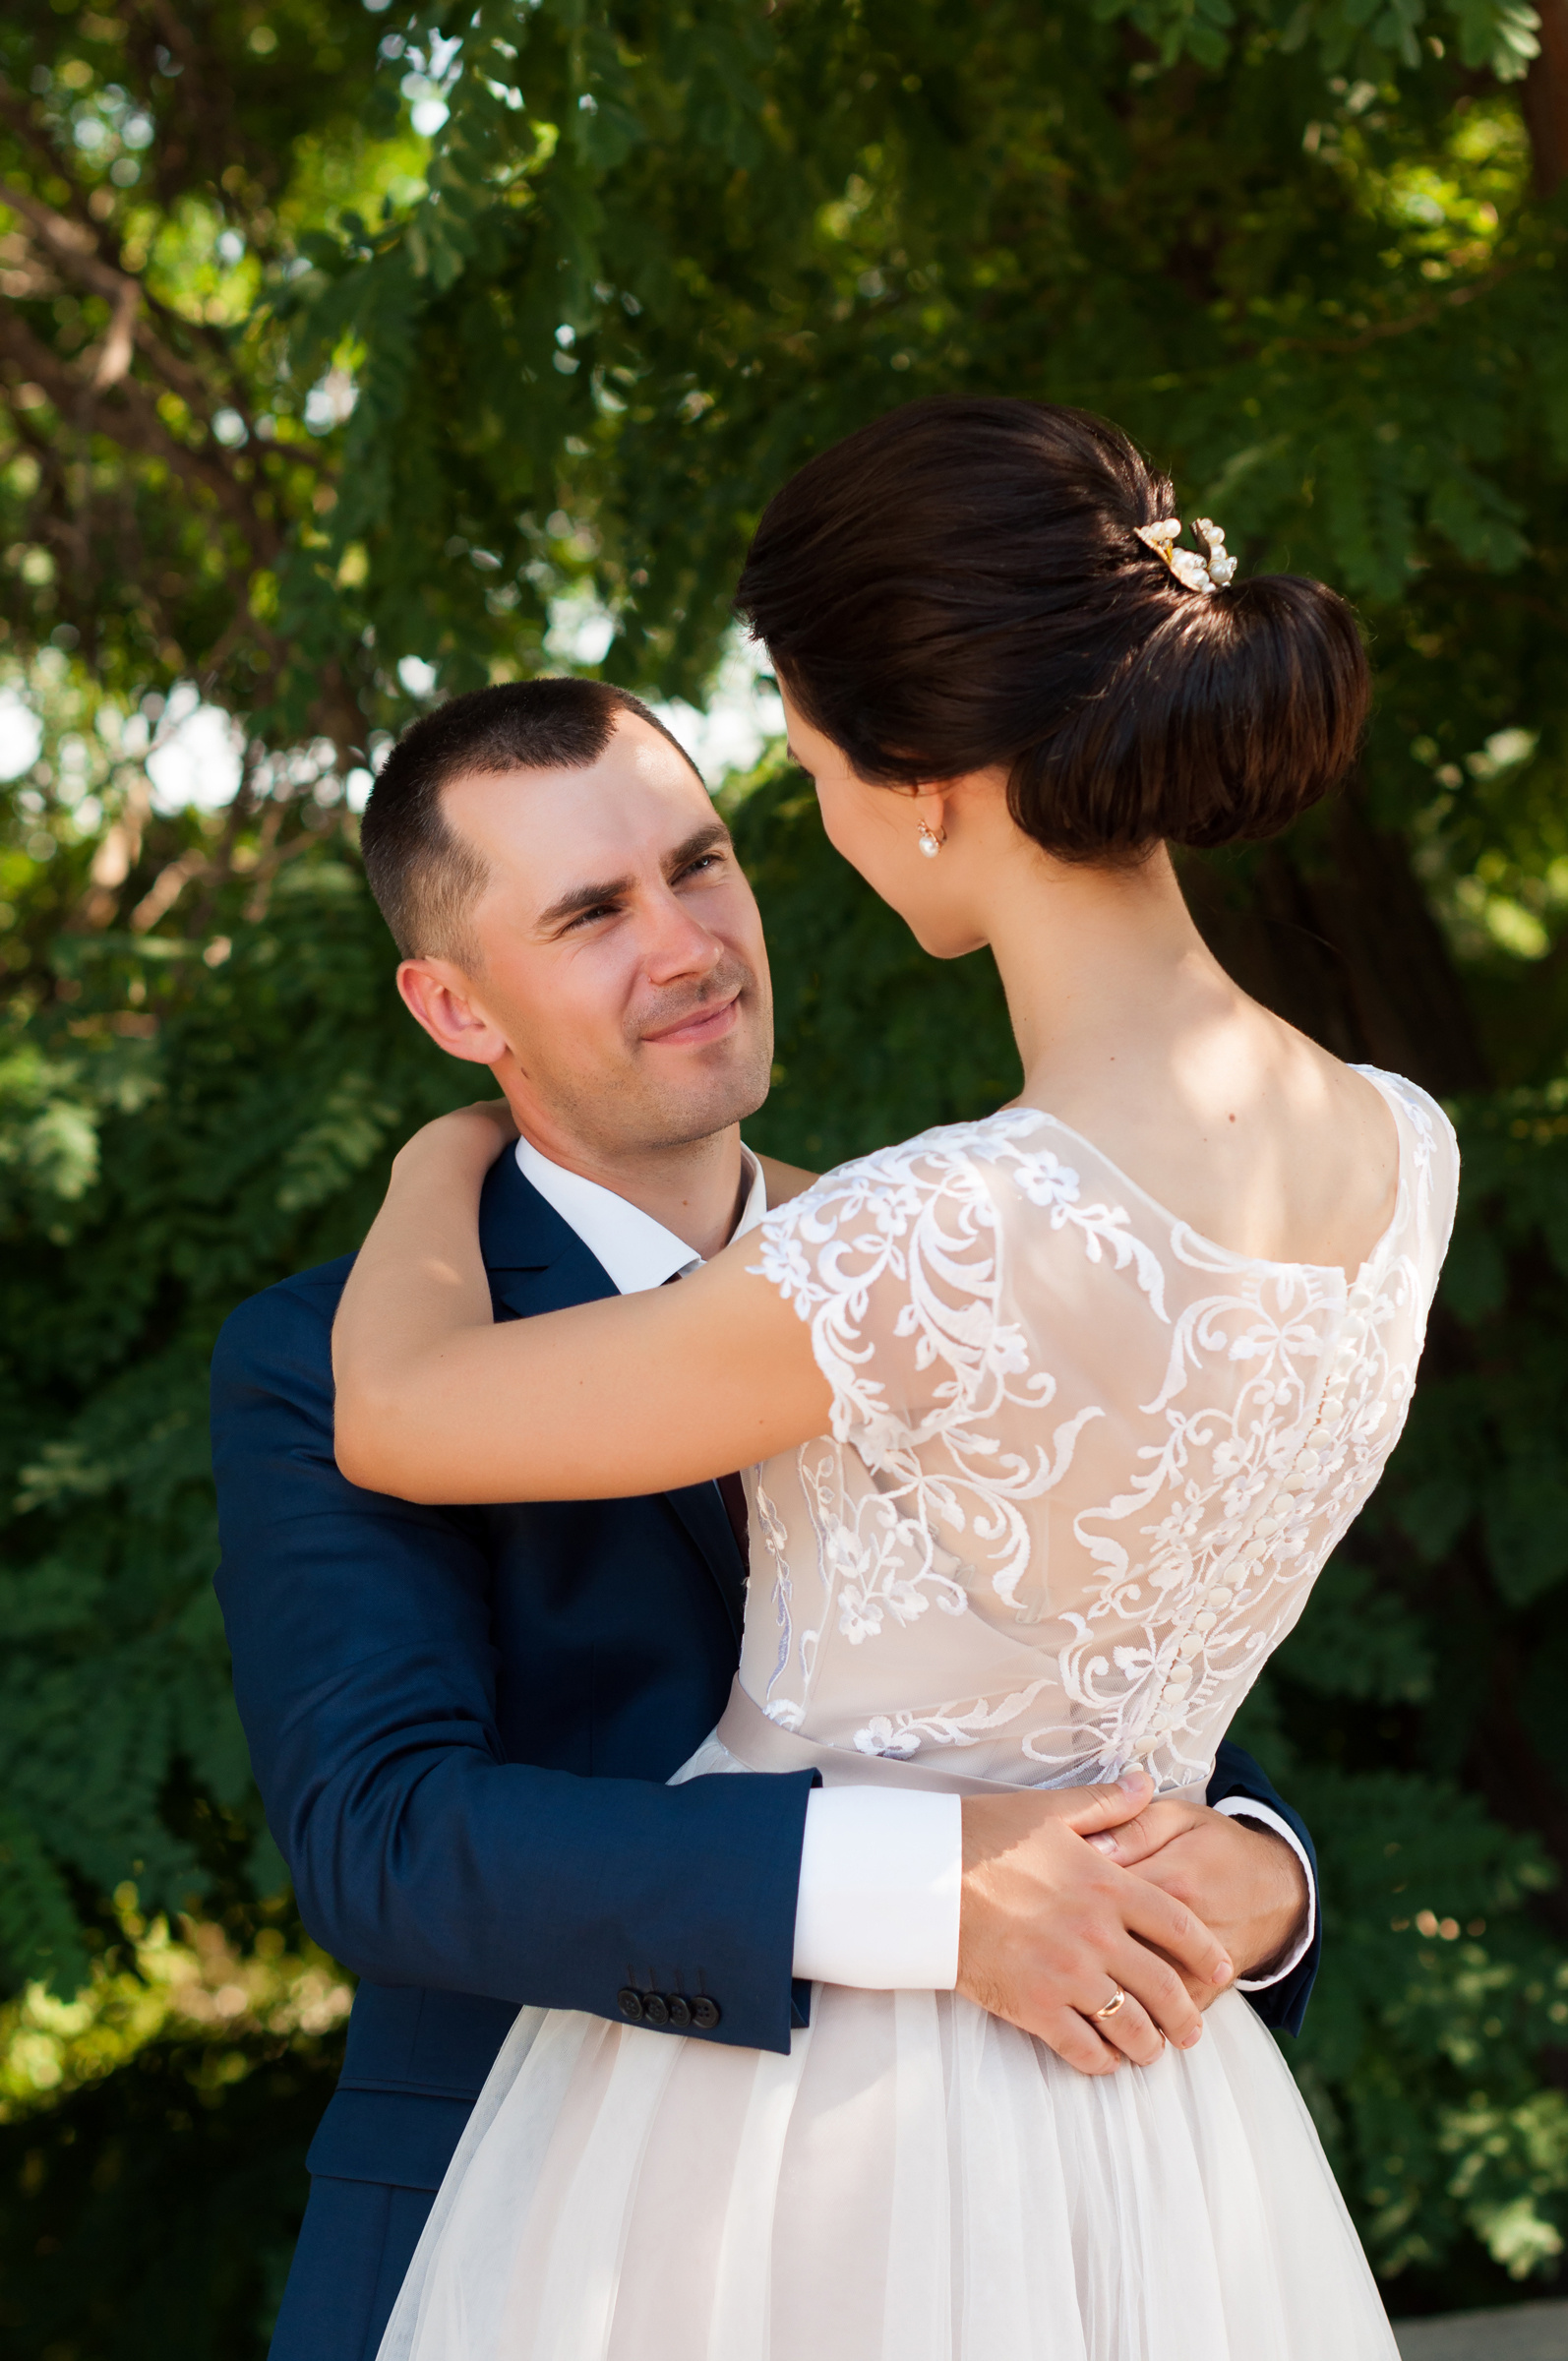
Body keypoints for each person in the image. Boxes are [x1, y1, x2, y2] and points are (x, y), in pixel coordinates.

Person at [332, 399, 1458, 2361]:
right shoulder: (1399, 1150)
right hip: (1158, 2126)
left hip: (789, 2149)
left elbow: (403, 1415)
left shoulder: (919, 1235)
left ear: (921, 787)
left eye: (799, 780)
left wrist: (439, 1153)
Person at [212, 666, 1319, 2361]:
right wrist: (920, 1889)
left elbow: (1092, 1679)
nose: (687, 946)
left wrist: (1261, 1871)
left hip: (1005, 2227)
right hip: (524, 2245)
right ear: (453, 1006)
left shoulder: (941, 1260)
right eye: (591, 912)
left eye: (699, 865)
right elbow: (387, 1840)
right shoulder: (323, 1357)